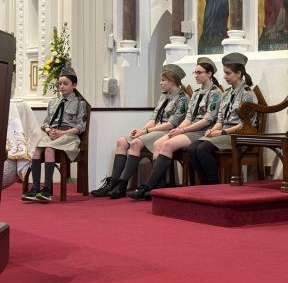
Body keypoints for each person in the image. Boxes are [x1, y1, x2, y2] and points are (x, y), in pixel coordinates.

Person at [126, 58, 223, 200]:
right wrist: (179, 129)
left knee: (167, 145)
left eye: (199, 72)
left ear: (209, 74)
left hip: (203, 131)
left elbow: (207, 120)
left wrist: (183, 130)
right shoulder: (196, 93)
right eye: (195, 72)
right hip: (189, 129)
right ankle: (157, 190)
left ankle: (148, 187)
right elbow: (188, 118)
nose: (196, 75)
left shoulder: (215, 93)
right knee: (158, 144)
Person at [91, 64, 188, 199]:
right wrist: (142, 130)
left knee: (135, 143)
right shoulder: (164, 96)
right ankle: (112, 183)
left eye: (163, 80)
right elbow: (153, 118)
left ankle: (122, 185)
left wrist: (147, 131)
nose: (160, 83)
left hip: (167, 131)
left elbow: (171, 124)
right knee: (121, 141)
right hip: (155, 129)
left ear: (172, 81)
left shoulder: (183, 99)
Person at [186, 52, 257, 187]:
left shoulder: (248, 94)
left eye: (228, 73)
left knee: (202, 149)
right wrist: (212, 130)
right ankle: (204, 182)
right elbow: (220, 120)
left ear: (239, 73)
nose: (224, 76)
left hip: (238, 135)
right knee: (192, 147)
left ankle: (213, 184)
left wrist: (223, 132)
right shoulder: (226, 93)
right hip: (224, 132)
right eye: (225, 73)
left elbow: (246, 124)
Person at [22, 66, 87, 203]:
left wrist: (62, 132)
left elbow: (81, 127)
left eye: (65, 83)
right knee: (36, 150)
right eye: (60, 84)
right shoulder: (53, 102)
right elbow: (45, 123)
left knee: (49, 149)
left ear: (74, 85)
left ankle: (47, 191)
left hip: (69, 136)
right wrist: (48, 130)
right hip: (52, 135)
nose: (61, 86)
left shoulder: (80, 104)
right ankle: (35, 189)